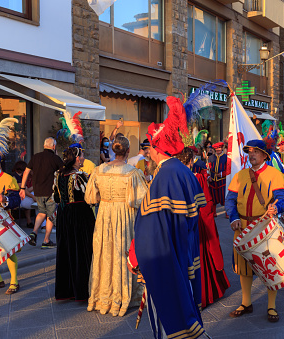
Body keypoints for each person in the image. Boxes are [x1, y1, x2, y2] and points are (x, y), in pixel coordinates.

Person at [129, 97, 207, 338]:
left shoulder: (165, 177)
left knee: (169, 315)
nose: (148, 151)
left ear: (157, 148)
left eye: (150, 146)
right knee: (185, 302)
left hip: (167, 257)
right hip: (184, 251)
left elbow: (154, 228)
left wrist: (135, 256)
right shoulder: (183, 171)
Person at [225, 139, 284, 323]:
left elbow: (283, 198)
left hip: (265, 227)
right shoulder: (240, 175)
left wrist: (276, 208)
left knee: (269, 267)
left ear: (264, 155)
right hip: (243, 227)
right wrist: (234, 217)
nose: (251, 154)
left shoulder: (275, 174)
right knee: (243, 267)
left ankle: (271, 306)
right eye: (249, 151)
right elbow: (230, 200)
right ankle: (246, 303)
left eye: (256, 151)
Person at [85, 135, 147, 316]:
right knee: (122, 252)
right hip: (124, 217)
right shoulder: (132, 173)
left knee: (105, 252)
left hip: (104, 215)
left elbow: (90, 198)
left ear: (113, 150)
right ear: (127, 151)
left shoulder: (98, 170)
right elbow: (142, 200)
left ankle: (101, 297)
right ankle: (124, 295)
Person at [176, 147, 230, 308]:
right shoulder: (197, 177)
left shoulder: (172, 178)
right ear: (191, 161)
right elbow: (206, 205)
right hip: (196, 221)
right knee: (200, 257)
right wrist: (209, 225)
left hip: (179, 223)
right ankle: (203, 294)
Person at [53, 146, 95, 301]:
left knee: (66, 249)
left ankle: (66, 290)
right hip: (79, 215)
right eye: (82, 155)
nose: (83, 158)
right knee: (81, 249)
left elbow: (56, 198)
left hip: (64, 215)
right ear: (77, 158)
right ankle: (82, 290)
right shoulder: (80, 176)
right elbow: (90, 197)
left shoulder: (58, 175)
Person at [20, 137, 63, 249]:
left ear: (44, 146)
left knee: (42, 212)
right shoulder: (55, 158)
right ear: (53, 147)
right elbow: (63, 173)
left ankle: (34, 232)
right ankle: (46, 240)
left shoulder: (35, 157)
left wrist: (23, 188)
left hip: (38, 192)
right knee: (50, 215)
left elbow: (26, 172)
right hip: (50, 191)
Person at [0, 149, 22, 295]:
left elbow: (17, 200)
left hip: (5, 220)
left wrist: (5, 199)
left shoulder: (8, 179)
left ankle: (14, 281)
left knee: (10, 251)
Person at [12, 160, 35, 228]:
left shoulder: (17, 175)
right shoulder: (16, 177)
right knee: (37, 200)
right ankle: (42, 224)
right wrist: (33, 195)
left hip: (18, 196)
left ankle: (29, 221)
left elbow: (26, 190)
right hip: (15, 198)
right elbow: (24, 190)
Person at [208, 142, 227, 210]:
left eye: (219, 148)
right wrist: (208, 177)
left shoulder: (226, 157)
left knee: (223, 197)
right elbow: (208, 168)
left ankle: (227, 212)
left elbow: (228, 169)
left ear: (222, 148)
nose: (218, 149)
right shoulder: (211, 157)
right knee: (213, 197)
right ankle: (214, 212)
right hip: (212, 180)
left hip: (222, 180)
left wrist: (222, 174)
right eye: (216, 148)